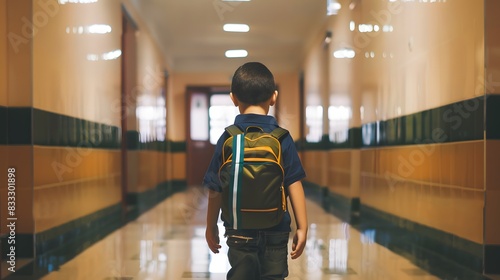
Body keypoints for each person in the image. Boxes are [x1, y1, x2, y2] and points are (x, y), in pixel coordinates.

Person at [203, 62, 308, 280]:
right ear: (273, 97)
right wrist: (303, 226)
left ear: (233, 98)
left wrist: (210, 225)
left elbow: (215, 188)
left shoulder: (228, 138)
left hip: (238, 228)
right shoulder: (282, 138)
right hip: (276, 227)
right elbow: (293, 182)